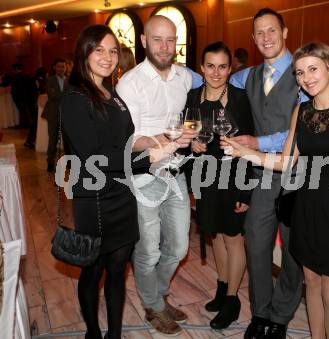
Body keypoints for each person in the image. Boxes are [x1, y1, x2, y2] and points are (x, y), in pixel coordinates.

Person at [224, 42, 329, 339]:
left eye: (313, 69)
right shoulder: (302, 111)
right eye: (299, 73)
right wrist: (243, 152)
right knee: (311, 282)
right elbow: (285, 163)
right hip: (306, 209)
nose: (306, 78)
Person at [60, 24, 175, 339]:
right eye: (99, 49)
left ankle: (114, 334)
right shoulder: (74, 98)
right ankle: (94, 333)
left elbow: (124, 141)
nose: (107, 57)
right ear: (84, 52)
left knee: (117, 271)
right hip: (94, 199)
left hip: (124, 194)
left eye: (112, 50)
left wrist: (152, 142)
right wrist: (148, 159)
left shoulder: (113, 94)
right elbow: (93, 156)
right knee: (93, 270)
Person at [116, 15, 198, 336]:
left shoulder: (184, 79)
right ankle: (152, 305)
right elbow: (130, 138)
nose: (165, 47)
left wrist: (191, 134)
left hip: (174, 171)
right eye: (157, 39)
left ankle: (158, 295)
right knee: (148, 249)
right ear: (144, 41)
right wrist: (163, 139)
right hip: (142, 175)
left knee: (178, 248)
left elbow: (191, 116)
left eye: (170, 40)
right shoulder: (130, 83)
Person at [227, 8, 304, 338]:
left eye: (272, 30)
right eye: (259, 33)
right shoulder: (249, 76)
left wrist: (256, 141)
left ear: (285, 32)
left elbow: (298, 130)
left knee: (292, 248)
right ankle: (260, 312)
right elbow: (218, 79)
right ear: (253, 39)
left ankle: (281, 315)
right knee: (256, 240)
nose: (266, 38)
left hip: (298, 172)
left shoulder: (303, 72)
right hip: (262, 171)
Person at [186, 41, 254, 330]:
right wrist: (192, 145)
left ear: (230, 68)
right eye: (210, 66)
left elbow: (250, 142)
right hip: (206, 175)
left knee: (234, 237)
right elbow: (188, 133)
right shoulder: (192, 96)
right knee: (217, 236)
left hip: (234, 174)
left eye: (222, 66)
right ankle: (222, 286)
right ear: (202, 68)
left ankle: (232, 299)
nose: (216, 72)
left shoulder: (240, 98)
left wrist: (246, 189)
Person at [42, 58, 67, 172]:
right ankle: (50, 162)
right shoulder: (50, 80)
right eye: (59, 66)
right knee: (53, 139)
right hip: (53, 114)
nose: (61, 69)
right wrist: (66, 96)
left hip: (67, 115)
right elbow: (53, 95)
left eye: (63, 66)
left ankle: (69, 162)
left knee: (67, 140)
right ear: (54, 67)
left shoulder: (68, 80)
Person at [24, 67, 47, 149]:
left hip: (37, 104)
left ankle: (30, 140)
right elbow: (29, 93)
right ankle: (29, 141)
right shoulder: (32, 81)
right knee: (35, 123)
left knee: (35, 123)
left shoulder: (42, 81)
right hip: (33, 105)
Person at [10, 62, 35, 129]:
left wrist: (14, 98)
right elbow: (32, 87)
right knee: (26, 111)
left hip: (19, 98)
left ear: (16, 69)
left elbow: (14, 90)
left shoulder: (14, 77)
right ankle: (26, 125)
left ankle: (24, 125)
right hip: (28, 97)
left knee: (22, 112)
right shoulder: (27, 76)